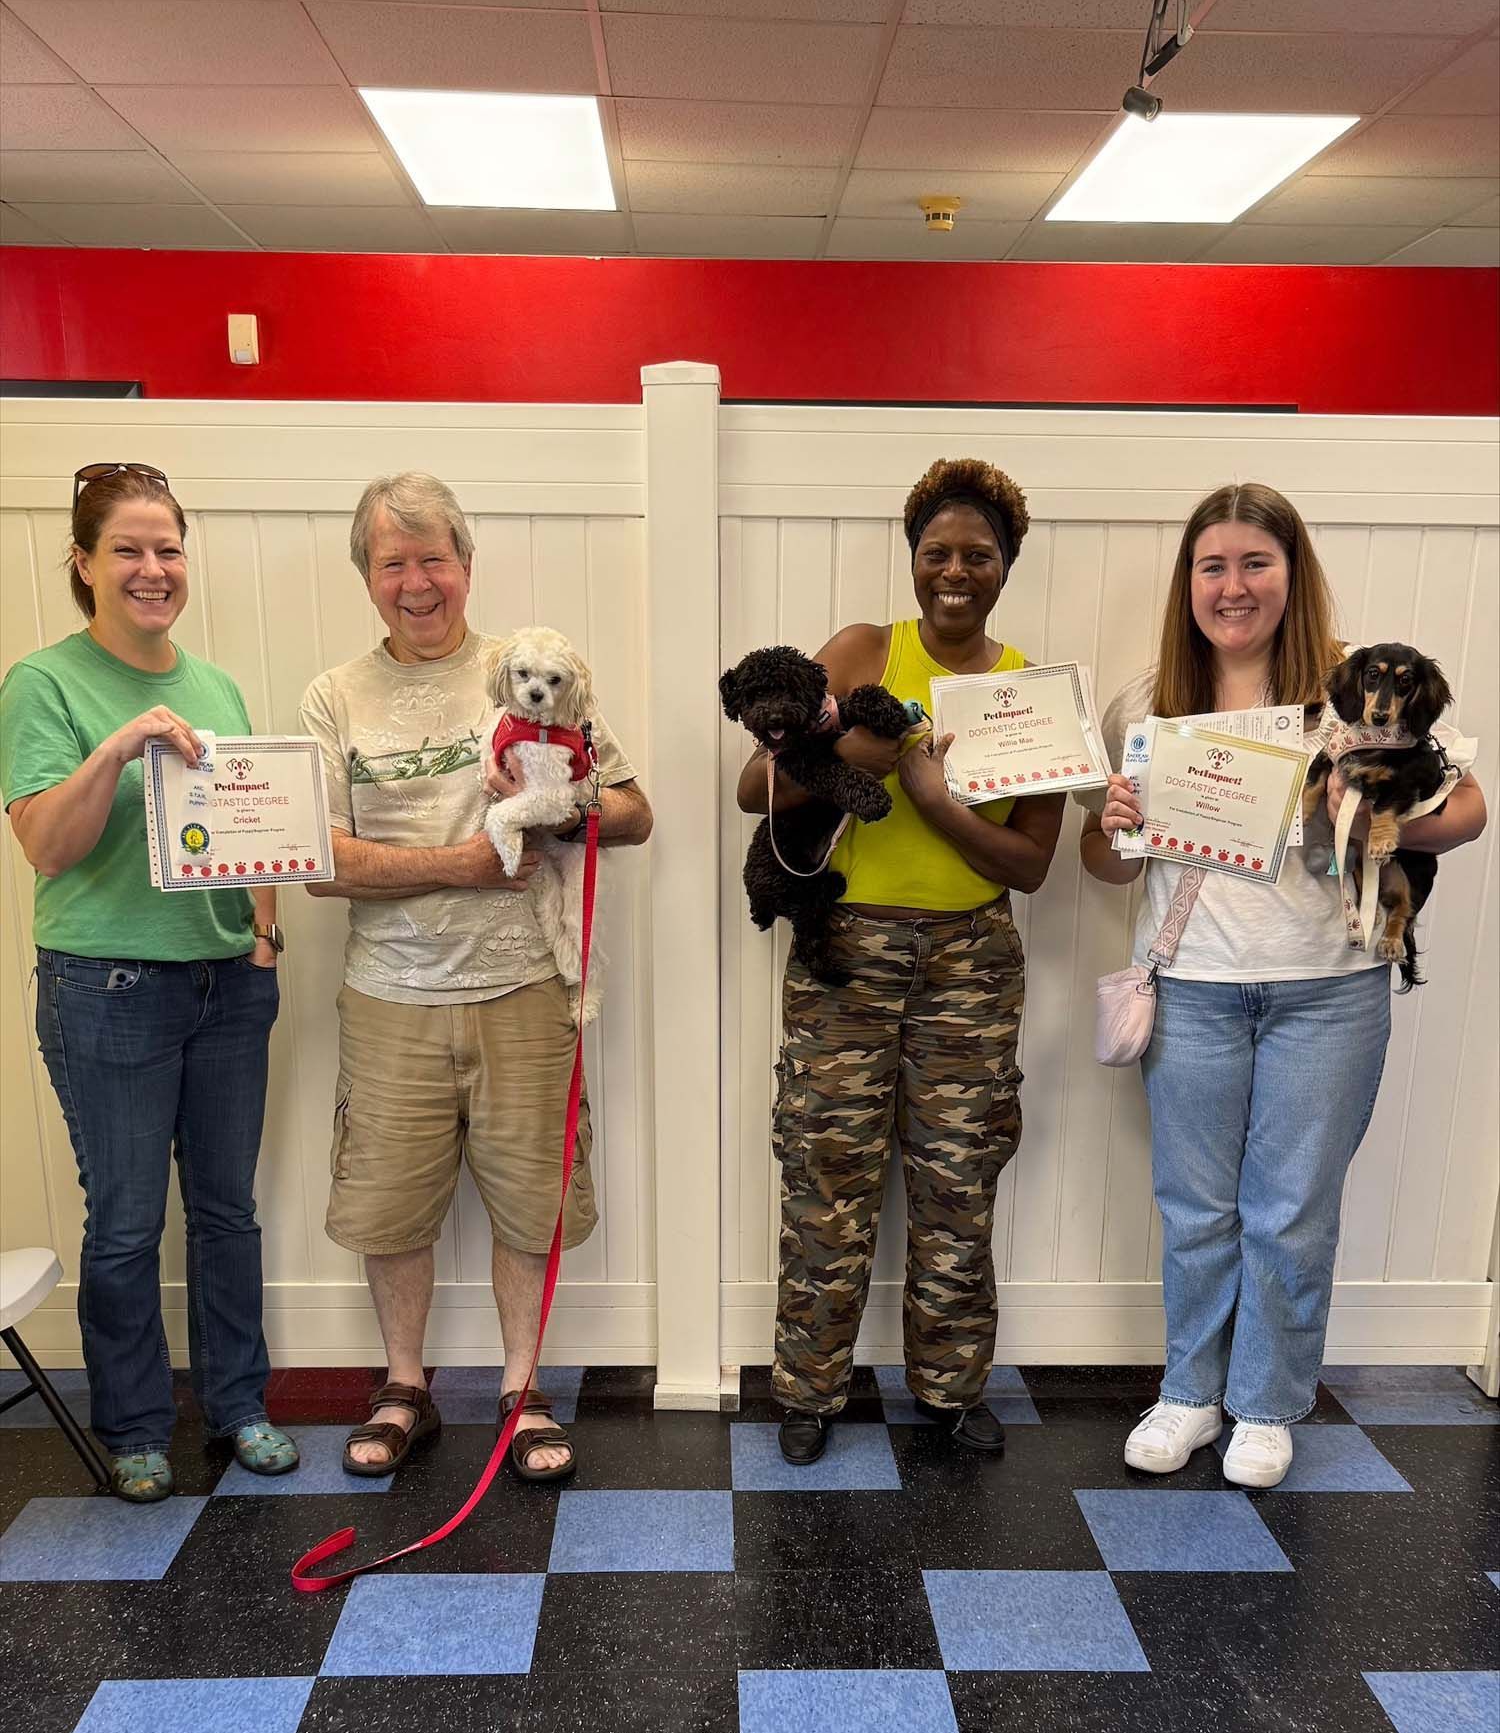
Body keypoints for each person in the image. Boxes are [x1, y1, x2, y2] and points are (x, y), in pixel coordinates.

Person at [1080, 482, 1486, 1488]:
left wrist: (1369, 810)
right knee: (1196, 1206)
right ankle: (1188, 1393)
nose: (1233, 585)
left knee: (1291, 1207)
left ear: (1292, 575)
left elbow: (1468, 806)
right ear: (1188, 583)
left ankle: (1265, 1403)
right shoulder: (1147, 701)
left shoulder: (1361, 692)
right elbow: (1111, 866)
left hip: (1330, 989)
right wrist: (1113, 819)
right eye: (1212, 565)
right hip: (1196, 988)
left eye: (1255, 562)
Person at [300, 473, 651, 1481]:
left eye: (433, 559)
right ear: (368, 577)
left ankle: (521, 1387)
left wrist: (560, 814)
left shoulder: (530, 664)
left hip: (527, 989)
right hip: (389, 993)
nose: (417, 582)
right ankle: (404, 1385)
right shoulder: (336, 695)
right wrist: (459, 863)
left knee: (529, 1197)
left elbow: (632, 809)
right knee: (391, 1206)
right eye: (393, 563)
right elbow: (317, 861)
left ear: (465, 562)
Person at [735, 457, 1064, 1466]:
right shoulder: (865, 647)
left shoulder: (1033, 694)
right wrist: (847, 766)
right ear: (913, 559)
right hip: (848, 950)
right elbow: (754, 782)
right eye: (937, 552)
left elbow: (1034, 865)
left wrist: (934, 802)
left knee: (959, 1184)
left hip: (972, 959)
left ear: (1006, 565)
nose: (955, 570)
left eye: (978, 554)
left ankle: (953, 1389)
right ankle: (809, 1389)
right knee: (824, 1174)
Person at [0, 463, 297, 1502]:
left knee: (227, 1210)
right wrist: (123, 744)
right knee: (125, 1220)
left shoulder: (214, 684)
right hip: (108, 989)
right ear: (82, 563)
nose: (152, 567)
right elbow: (48, 845)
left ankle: (239, 1405)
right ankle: (133, 1426)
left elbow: (252, 825)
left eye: (167, 547)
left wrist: (265, 933)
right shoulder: (44, 683)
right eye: (127, 548)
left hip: (227, 986)